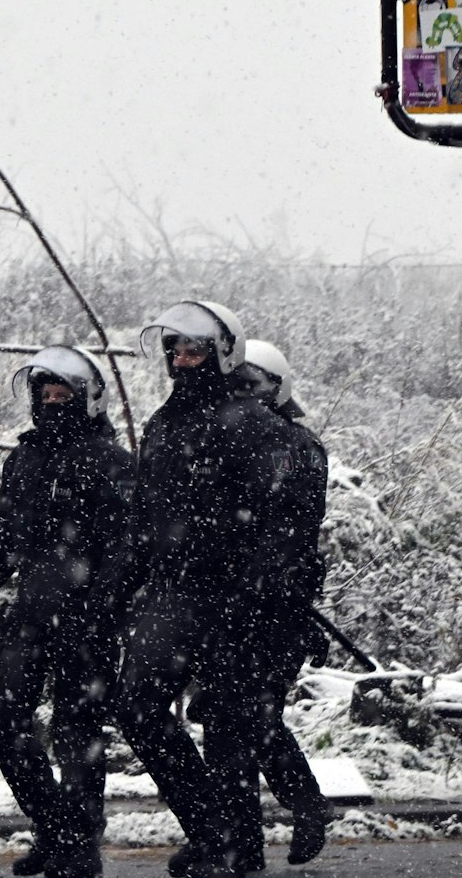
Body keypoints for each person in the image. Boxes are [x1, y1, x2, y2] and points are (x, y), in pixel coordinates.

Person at [112, 301, 288, 878]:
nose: (183, 360)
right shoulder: (163, 423)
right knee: (138, 706)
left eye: (194, 350)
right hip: (171, 594)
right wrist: (122, 586)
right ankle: (214, 832)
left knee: (229, 725)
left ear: (221, 354)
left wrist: (255, 593)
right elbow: (144, 516)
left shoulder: (253, 422)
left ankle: (239, 846)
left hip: (234, 596)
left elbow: (277, 521)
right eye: (176, 351)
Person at [0, 346, 135, 878]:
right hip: (29, 614)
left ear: (88, 399)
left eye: (63, 394)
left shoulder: (114, 463)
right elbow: (4, 543)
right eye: (45, 394)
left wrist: (104, 607)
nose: (53, 403)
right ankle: (54, 825)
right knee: (2, 719)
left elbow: (126, 549)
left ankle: (81, 845)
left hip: (88, 619)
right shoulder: (24, 459)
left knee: (79, 733)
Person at [198, 339, 335, 865]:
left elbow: (285, 530)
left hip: (275, 608)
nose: (246, 397)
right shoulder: (230, 442)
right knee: (228, 721)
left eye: (255, 387)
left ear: (277, 390)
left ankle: (304, 806)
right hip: (236, 605)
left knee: (248, 718)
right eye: (240, 387)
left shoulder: (295, 446)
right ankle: (245, 842)